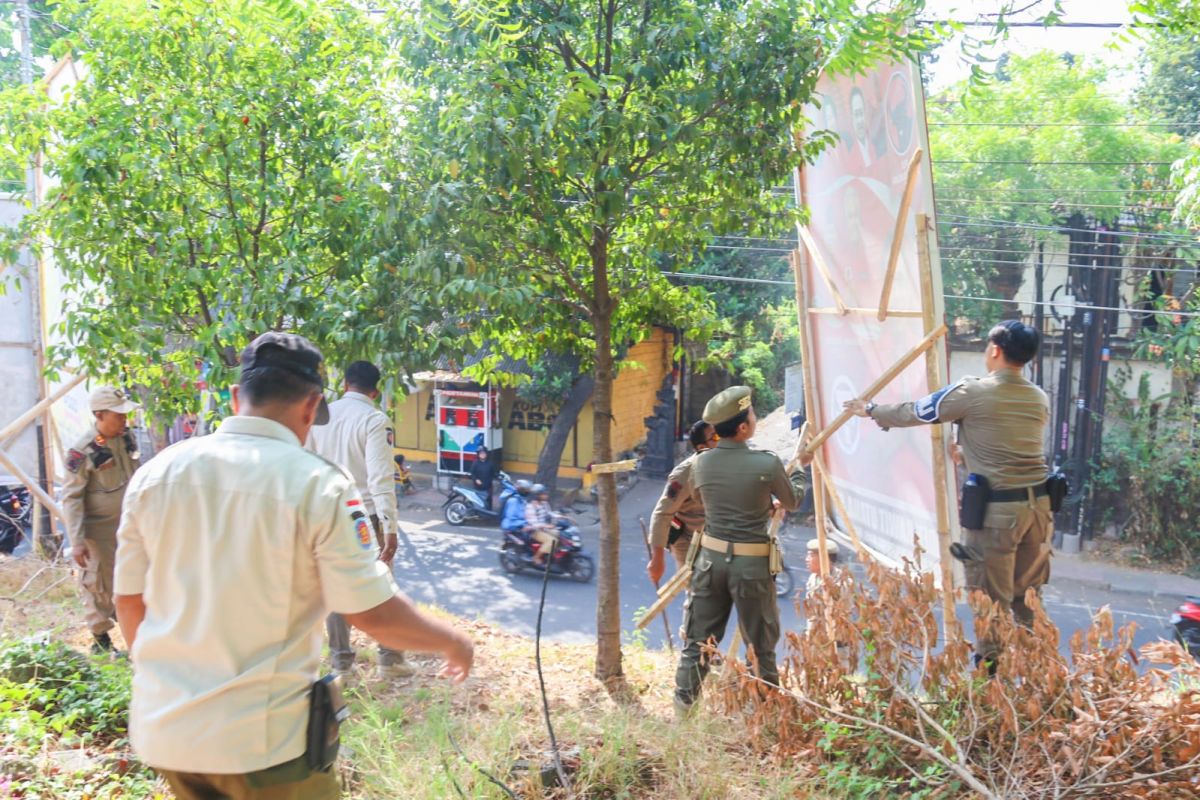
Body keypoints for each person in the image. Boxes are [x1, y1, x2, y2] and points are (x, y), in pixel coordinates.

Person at [113, 332, 473, 799]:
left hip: (166, 736)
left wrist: (170, 682)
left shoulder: (158, 472)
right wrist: (452, 641)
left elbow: (128, 601)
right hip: (263, 749)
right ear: (310, 406)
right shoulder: (318, 486)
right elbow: (372, 614)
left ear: (238, 396)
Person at [844, 319, 1052, 670]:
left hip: (997, 517)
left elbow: (918, 411)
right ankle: (1037, 677)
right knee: (1027, 598)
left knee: (990, 600)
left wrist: (871, 410)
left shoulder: (974, 391)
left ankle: (989, 684)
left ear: (995, 350)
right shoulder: (1038, 397)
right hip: (1040, 512)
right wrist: (966, 454)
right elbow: (1006, 444)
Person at [673, 386, 812, 717]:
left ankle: (683, 711)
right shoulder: (765, 463)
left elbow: (717, 496)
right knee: (760, 645)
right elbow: (792, 500)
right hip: (751, 564)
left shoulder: (701, 464)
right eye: (751, 415)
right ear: (743, 428)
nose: (755, 419)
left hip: (709, 560)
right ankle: (766, 713)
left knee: (698, 642)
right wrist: (800, 469)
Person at [307, 360, 413, 680]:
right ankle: (390, 659)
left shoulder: (320, 417)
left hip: (326, 513)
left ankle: (342, 663)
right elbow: (381, 479)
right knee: (383, 586)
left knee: (335, 589)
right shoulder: (375, 419)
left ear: (345, 385)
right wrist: (390, 529)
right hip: (363, 516)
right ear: (376, 391)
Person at [62, 385, 141, 654]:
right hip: (99, 530)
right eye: (117, 415)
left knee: (133, 574)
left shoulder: (126, 439)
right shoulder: (82, 451)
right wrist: (78, 541)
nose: (123, 420)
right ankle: (101, 640)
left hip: (128, 523)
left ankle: (133, 628)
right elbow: (71, 498)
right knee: (98, 582)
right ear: (99, 415)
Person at [646, 420, 716, 584]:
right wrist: (657, 559)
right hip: (689, 542)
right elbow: (662, 513)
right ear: (701, 448)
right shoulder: (685, 474)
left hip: (714, 540)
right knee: (699, 596)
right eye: (715, 437)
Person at [524, 483, 557, 567]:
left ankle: (552, 555)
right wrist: (547, 526)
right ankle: (536, 557)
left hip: (544, 529)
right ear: (537, 495)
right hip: (534, 531)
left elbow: (550, 513)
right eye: (543, 494)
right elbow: (534, 524)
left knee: (561, 534)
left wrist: (562, 517)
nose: (546, 495)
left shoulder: (544, 503)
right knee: (552, 541)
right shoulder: (530, 506)